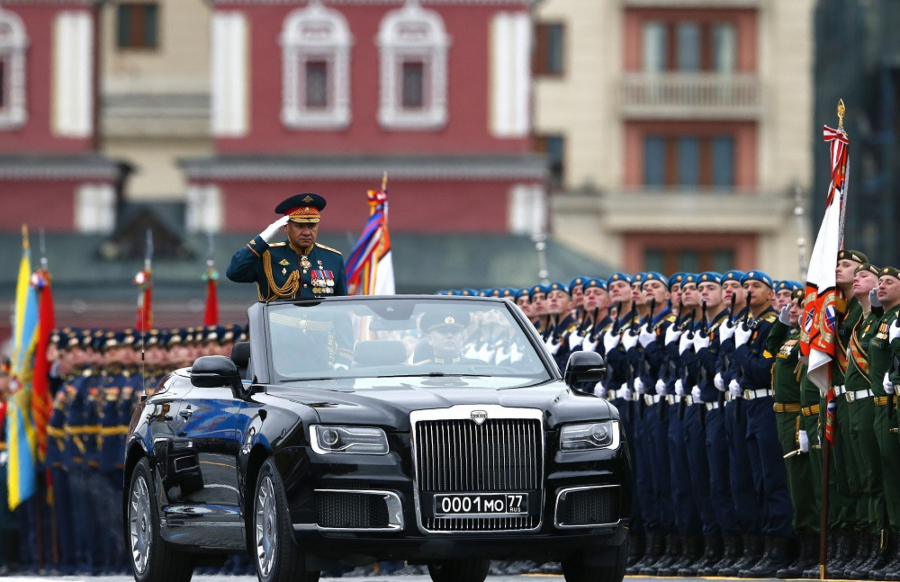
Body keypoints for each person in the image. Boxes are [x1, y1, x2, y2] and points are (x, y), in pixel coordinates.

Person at [227, 193, 347, 300]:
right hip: (279, 325)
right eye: (299, 226)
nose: (306, 232)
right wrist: (262, 238)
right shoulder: (267, 255)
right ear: (286, 227)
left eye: (312, 226)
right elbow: (234, 273)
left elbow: (341, 306)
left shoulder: (333, 258)